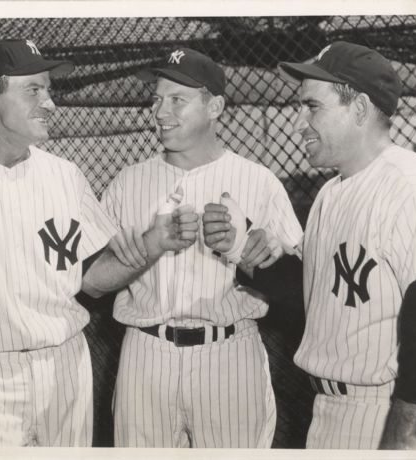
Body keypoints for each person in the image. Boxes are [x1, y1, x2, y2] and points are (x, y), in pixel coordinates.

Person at [0, 38, 199, 447]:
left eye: (49, 90)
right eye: (33, 89)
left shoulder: (65, 175)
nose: (50, 103)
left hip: (67, 366)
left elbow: (92, 280)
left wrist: (153, 244)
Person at [210, 41, 416, 449]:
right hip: (330, 413)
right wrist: (240, 247)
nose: (298, 122)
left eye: (312, 107)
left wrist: (401, 443)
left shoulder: (415, 189)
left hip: (390, 413)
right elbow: (316, 302)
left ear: (359, 109)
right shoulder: (330, 194)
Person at [100, 47, 303, 448]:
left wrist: (262, 251)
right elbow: (95, 276)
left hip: (228, 352)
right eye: (157, 99)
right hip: (146, 351)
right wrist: (149, 245)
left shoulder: (258, 181)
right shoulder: (128, 182)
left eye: (178, 99)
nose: (160, 111)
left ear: (215, 107)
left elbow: (298, 282)